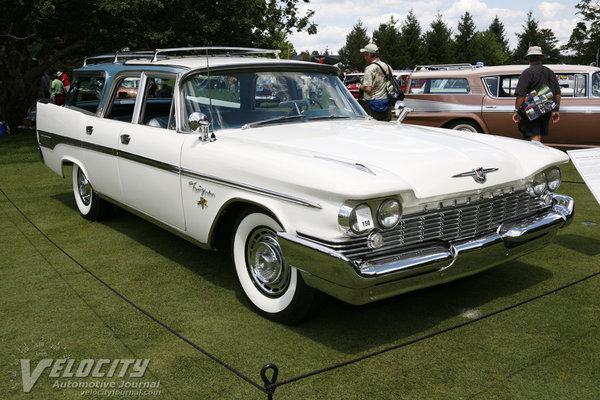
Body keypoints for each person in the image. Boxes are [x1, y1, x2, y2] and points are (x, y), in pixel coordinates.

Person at [512, 46, 561, 142]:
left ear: (528, 58)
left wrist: (516, 111)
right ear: (541, 58)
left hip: (531, 109)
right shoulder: (549, 72)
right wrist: (556, 110)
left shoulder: (527, 73)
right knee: (537, 134)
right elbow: (557, 94)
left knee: (534, 134)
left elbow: (520, 95)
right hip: (546, 108)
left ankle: (536, 155)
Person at [357, 43, 393, 121]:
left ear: (369, 55)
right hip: (386, 103)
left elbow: (368, 89)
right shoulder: (387, 66)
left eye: (365, 55)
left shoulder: (369, 69)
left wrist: (360, 86)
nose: (364, 57)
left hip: (372, 105)